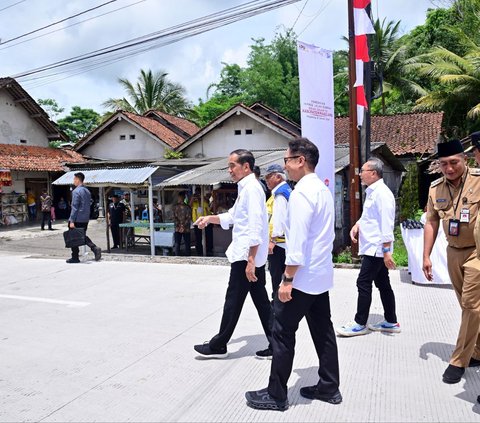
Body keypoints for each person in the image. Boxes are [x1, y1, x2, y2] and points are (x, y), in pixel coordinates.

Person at [245, 138, 341, 411]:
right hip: (320, 275)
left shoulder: (300, 194)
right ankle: (329, 387)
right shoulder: (322, 189)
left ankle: (276, 394)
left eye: (287, 160)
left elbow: (297, 244)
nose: (285, 165)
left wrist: (287, 279)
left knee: (282, 331)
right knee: (323, 331)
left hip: (301, 278)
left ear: (300, 160)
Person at [193, 149, 272, 359]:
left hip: (246, 256)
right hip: (247, 255)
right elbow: (233, 216)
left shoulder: (252, 189)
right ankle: (277, 343)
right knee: (261, 301)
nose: (229, 171)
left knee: (233, 300)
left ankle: (219, 345)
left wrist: (251, 260)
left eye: (232, 166)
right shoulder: (246, 188)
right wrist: (210, 218)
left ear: (245, 166)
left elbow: (255, 226)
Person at [423, 139, 480, 384]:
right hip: (453, 251)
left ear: (464, 159)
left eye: (454, 162)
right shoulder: (435, 188)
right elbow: (431, 221)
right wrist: (425, 255)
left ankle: (459, 360)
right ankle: (477, 350)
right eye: (443, 164)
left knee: (470, 305)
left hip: (477, 252)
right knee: (469, 307)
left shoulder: (478, 180)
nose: (449, 168)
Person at [336, 157, 399, 337]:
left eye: (362, 171)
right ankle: (391, 321)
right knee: (382, 283)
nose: (360, 174)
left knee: (363, 282)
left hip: (377, 249)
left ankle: (359, 323)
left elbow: (386, 224)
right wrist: (357, 224)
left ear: (373, 173)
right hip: (372, 247)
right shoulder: (372, 192)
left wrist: (387, 252)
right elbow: (369, 216)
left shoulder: (382, 194)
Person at [255, 163, 292, 359]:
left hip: (279, 247)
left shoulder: (279, 194)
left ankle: (276, 341)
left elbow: (279, 222)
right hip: (283, 246)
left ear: (277, 177)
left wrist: (272, 240)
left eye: (269, 177)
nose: (267, 180)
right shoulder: (287, 191)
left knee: (276, 291)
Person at [67, 172, 102, 264]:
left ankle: (75, 257)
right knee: (81, 236)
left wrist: (71, 220)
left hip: (77, 218)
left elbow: (75, 207)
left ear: (78, 179)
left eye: (74, 179)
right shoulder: (87, 191)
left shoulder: (76, 191)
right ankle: (94, 248)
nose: (73, 181)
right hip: (85, 218)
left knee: (74, 237)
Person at [190, 187, 214, 256]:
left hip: (206, 221)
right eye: (196, 193)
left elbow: (208, 201)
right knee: (198, 238)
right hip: (197, 222)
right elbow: (189, 205)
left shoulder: (204, 200)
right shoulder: (194, 202)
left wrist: (201, 197)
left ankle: (209, 250)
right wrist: (193, 198)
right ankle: (199, 251)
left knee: (208, 237)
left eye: (199, 193)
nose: (197, 195)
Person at [173, 192, 192, 256]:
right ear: (184, 198)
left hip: (177, 228)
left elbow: (174, 217)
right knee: (187, 243)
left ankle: (177, 255)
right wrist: (183, 226)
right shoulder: (188, 207)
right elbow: (189, 218)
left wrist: (179, 225)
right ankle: (188, 255)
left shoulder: (175, 207)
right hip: (186, 228)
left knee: (177, 243)